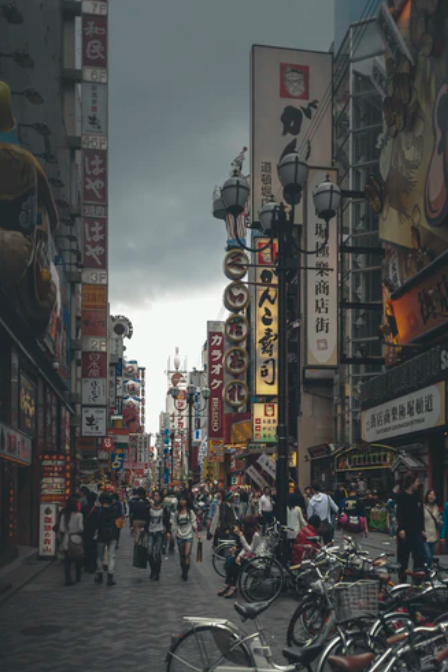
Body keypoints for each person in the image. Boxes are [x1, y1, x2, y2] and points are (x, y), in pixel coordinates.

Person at [218, 516, 263, 599]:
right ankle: (228, 583)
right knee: (230, 559)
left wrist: (241, 536)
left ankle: (232, 585)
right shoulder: (250, 533)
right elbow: (245, 549)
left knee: (234, 563)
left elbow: (249, 549)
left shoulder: (256, 535)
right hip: (250, 557)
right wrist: (239, 556)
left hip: (256, 561)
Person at [396, 473, 425, 583]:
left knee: (418, 556)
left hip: (416, 531)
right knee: (403, 557)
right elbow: (399, 513)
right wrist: (401, 528)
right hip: (405, 531)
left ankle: (417, 582)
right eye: (417, 481)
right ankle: (402, 582)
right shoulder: (401, 496)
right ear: (411, 483)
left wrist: (423, 529)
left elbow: (420, 513)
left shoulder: (417, 495)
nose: (418, 483)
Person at [171, 493, 200, 581]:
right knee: (182, 555)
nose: (182, 501)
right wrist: (173, 534)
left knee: (187, 554)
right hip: (180, 536)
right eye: (181, 500)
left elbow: (194, 522)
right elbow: (174, 523)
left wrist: (197, 533)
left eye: (184, 500)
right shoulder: (177, 512)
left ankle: (186, 573)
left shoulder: (190, 512)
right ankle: (183, 569)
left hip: (189, 536)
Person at [93, 492, 119, 586]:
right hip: (112, 535)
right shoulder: (114, 510)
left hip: (101, 535)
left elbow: (95, 524)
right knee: (111, 556)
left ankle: (99, 574)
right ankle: (110, 576)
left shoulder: (97, 511)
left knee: (100, 556)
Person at [59, 496, 84, 586]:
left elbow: (61, 529)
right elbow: (81, 528)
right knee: (78, 558)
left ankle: (68, 579)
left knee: (67, 561)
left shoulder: (63, 515)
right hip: (76, 539)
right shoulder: (79, 515)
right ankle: (78, 576)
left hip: (67, 539)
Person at [147, 490, 171, 581]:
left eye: (157, 496)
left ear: (160, 497)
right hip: (150, 532)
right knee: (149, 552)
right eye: (154, 496)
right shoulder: (148, 507)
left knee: (157, 553)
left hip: (160, 533)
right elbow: (146, 519)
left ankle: (156, 572)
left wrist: (168, 532)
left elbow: (167, 521)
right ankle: (153, 569)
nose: (156, 497)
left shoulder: (164, 509)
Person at [339, 483, 369, 549]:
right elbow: (364, 515)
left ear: (348, 490)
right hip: (358, 528)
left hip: (347, 528)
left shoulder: (344, 501)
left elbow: (340, 515)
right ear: (356, 490)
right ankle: (357, 559)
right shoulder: (360, 501)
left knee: (347, 548)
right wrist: (366, 528)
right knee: (357, 547)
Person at [423, 489, 441, 570]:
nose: (431, 496)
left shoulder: (436, 508)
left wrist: (439, 522)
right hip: (424, 536)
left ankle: (427, 577)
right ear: (427, 496)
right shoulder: (423, 507)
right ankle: (422, 573)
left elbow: (436, 520)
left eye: (433, 495)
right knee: (427, 556)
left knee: (430, 558)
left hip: (433, 536)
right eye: (430, 494)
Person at [82, 490, 98, 574]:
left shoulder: (83, 508)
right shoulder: (97, 509)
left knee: (86, 549)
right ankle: (93, 566)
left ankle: (87, 566)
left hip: (85, 532)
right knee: (94, 550)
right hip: (94, 532)